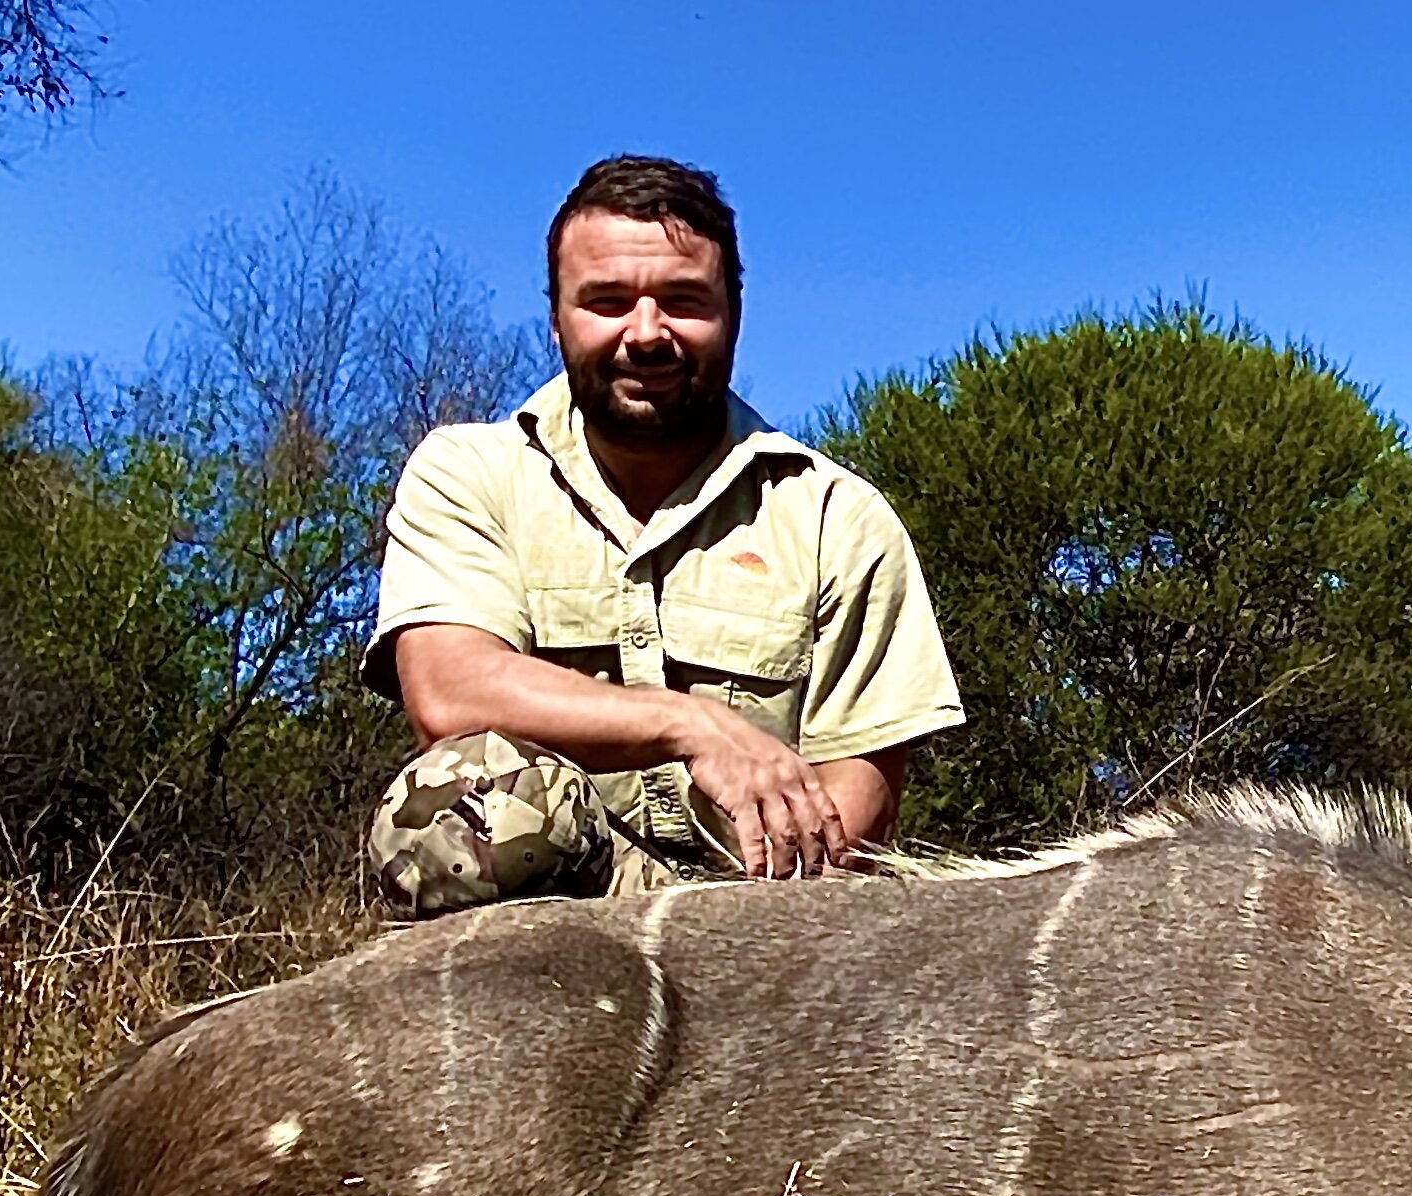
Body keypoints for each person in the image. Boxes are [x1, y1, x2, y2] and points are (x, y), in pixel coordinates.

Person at [360, 156, 962, 915]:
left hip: (763, 916)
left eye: (682, 301)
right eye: (606, 302)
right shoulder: (468, 471)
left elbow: (858, 802)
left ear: (733, 312)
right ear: (556, 317)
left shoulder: (838, 515)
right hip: (567, 901)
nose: (646, 334)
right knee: (453, 802)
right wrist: (694, 727)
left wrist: (745, 930)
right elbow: (449, 691)